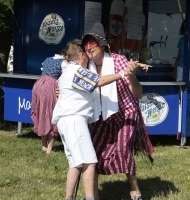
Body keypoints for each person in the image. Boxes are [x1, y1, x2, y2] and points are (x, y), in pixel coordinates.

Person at [51, 41, 145, 200]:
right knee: (90, 162)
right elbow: (98, 82)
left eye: (93, 44)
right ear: (82, 55)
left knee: (76, 164)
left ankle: (69, 198)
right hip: (75, 120)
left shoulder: (68, 71)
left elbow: (63, 90)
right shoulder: (79, 70)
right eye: (86, 50)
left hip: (68, 121)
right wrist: (122, 73)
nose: (89, 51)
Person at [80, 22, 154, 200]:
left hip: (126, 112)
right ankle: (93, 196)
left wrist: (132, 76)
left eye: (93, 43)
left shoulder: (119, 61)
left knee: (123, 149)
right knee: (94, 151)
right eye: (86, 44)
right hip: (101, 114)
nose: (89, 47)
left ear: (103, 45)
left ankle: (135, 191)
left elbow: (138, 94)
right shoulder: (85, 67)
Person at [31, 40, 78, 154]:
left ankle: (44, 145)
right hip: (51, 87)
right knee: (53, 114)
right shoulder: (64, 63)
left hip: (38, 85)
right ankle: (50, 148)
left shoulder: (48, 59)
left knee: (42, 113)